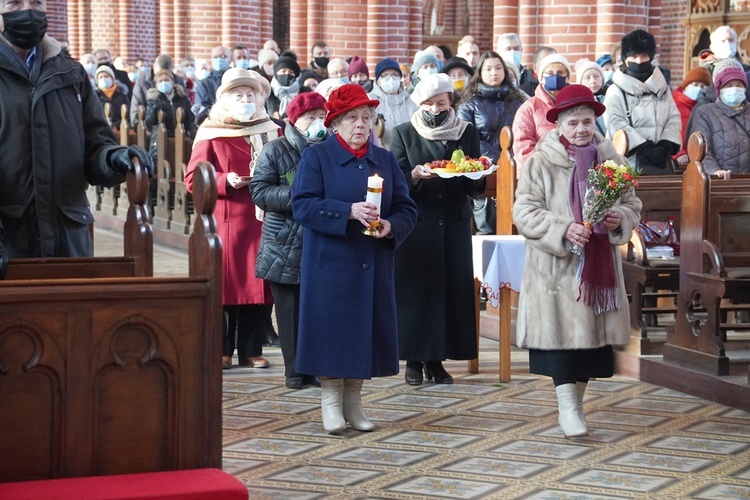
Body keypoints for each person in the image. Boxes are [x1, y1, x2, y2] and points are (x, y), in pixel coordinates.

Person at [512, 84, 642, 438]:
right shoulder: (541, 160)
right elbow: (523, 211)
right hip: (556, 269)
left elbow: (633, 204)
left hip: (598, 267)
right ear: (559, 125)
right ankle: (567, 407)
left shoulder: (611, 159)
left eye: (587, 122)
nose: (582, 129)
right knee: (561, 346)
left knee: (591, 349)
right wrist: (563, 228)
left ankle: (577, 406)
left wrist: (619, 218)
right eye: (574, 123)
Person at [290, 84, 418, 432]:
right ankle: (331, 403)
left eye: (366, 118)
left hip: (371, 263)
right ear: (334, 124)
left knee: (365, 334)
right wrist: (346, 211)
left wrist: (390, 226)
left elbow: (407, 208)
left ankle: (354, 403)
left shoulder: (386, 160)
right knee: (333, 333)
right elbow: (302, 205)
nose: (360, 125)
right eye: (351, 118)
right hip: (331, 264)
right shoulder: (316, 157)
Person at [0, 1, 153, 259]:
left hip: (67, 238)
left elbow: (96, 146)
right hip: (9, 240)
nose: (28, 11)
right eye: (14, 3)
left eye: (36, 2)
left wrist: (113, 158)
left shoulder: (72, 74)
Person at [390, 73, 484, 386]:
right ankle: (414, 360)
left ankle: (439, 359)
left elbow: (476, 176)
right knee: (418, 292)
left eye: (441, 102)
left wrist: (473, 170)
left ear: (450, 102)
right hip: (418, 223)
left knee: (449, 292)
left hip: (454, 220)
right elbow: (395, 179)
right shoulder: (404, 132)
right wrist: (414, 175)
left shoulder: (465, 131)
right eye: (429, 103)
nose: (435, 108)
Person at [185, 68, 281, 370]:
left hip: (264, 219)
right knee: (227, 286)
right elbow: (193, 179)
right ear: (226, 99)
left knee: (258, 286)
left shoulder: (271, 128)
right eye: (238, 95)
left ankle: (251, 349)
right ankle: (222, 348)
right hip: (227, 219)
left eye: (250, 94)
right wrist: (226, 180)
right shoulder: (211, 131)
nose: (245, 99)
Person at [250, 92, 330, 389]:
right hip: (284, 240)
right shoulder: (275, 149)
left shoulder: (330, 148)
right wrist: (298, 197)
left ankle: (317, 366)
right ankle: (294, 369)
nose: (317, 123)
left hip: (322, 239)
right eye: (311, 117)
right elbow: (260, 191)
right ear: (294, 121)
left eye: (322, 117)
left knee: (318, 309)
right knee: (289, 309)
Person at [603, 29, 681, 175]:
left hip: (662, 164)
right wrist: (644, 147)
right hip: (627, 164)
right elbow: (614, 122)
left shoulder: (662, 88)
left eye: (644, 55)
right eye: (634, 56)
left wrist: (666, 145)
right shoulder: (615, 90)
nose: (639, 61)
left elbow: (673, 117)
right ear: (625, 58)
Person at [458, 51, 526, 163]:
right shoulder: (468, 103)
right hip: (482, 165)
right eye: (488, 69)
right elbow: (467, 137)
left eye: (498, 68)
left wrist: (512, 159)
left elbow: (524, 133)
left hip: (514, 164)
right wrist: (499, 159)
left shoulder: (518, 100)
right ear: (480, 72)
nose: (494, 73)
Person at [688, 59, 750, 178]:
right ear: (719, 90)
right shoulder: (706, 112)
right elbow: (702, 151)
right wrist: (714, 171)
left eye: (739, 85)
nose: (734, 89)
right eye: (729, 86)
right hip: (722, 180)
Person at [512, 53, 571, 168]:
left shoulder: (574, 106)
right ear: (541, 77)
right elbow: (523, 146)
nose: (555, 76)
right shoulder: (529, 108)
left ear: (567, 77)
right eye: (549, 73)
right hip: (538, 171)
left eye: (560, 72)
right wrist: (547, 167)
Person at [144, 69, 196, 163]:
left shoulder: (182, 98)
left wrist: (194, 134)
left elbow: (190, 119)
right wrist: (155, 107)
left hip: (181, 138)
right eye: (160, 81)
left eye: (166, 80)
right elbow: (148, 122)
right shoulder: (153, 99)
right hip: (160, 140)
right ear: (156, 85)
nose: (164, 82)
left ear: (173, 82)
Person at [368, 58, 418, 149]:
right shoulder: (370, 101)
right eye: (386, 75)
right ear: (378, 81)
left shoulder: (411, 101)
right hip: (380, 152)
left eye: (395, 75)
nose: (391, 79)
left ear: (400, 78)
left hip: (407, 153)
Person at [672, 66, 711, 167]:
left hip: (702, 159)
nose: (698, 89)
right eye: (695, 84)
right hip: (680, 160)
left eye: (703, 86)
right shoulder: (673, 104)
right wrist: (678, 153)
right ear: (686, 86)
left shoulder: (707, 107)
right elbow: (670, 131)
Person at [192, 46, 231, 121]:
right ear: (211, 60)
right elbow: (202, 110)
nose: (219, 59)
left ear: (230, 59)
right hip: (213, 123)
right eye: (215, 57)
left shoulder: (237, 77)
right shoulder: (204, 83)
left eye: (223, 56)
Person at [575, 59, 606, 135]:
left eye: (596, 76)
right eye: (587, 77)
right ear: (580, 82)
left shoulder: (608, 99)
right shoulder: (576, 104)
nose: (593, 81)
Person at [94, 65, 130, 131]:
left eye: (106, 76)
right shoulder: (95, 96)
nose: (104, 79)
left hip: (120, 131)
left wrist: (116, 125)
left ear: (112, 78)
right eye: (101, 77)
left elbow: (127, 114)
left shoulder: (122, 96)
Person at [267, 51, 300, 120]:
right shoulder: (268, 92)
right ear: (276, 73)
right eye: (283, 71)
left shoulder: (302, 93)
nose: (287, 74)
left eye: (291, 72)